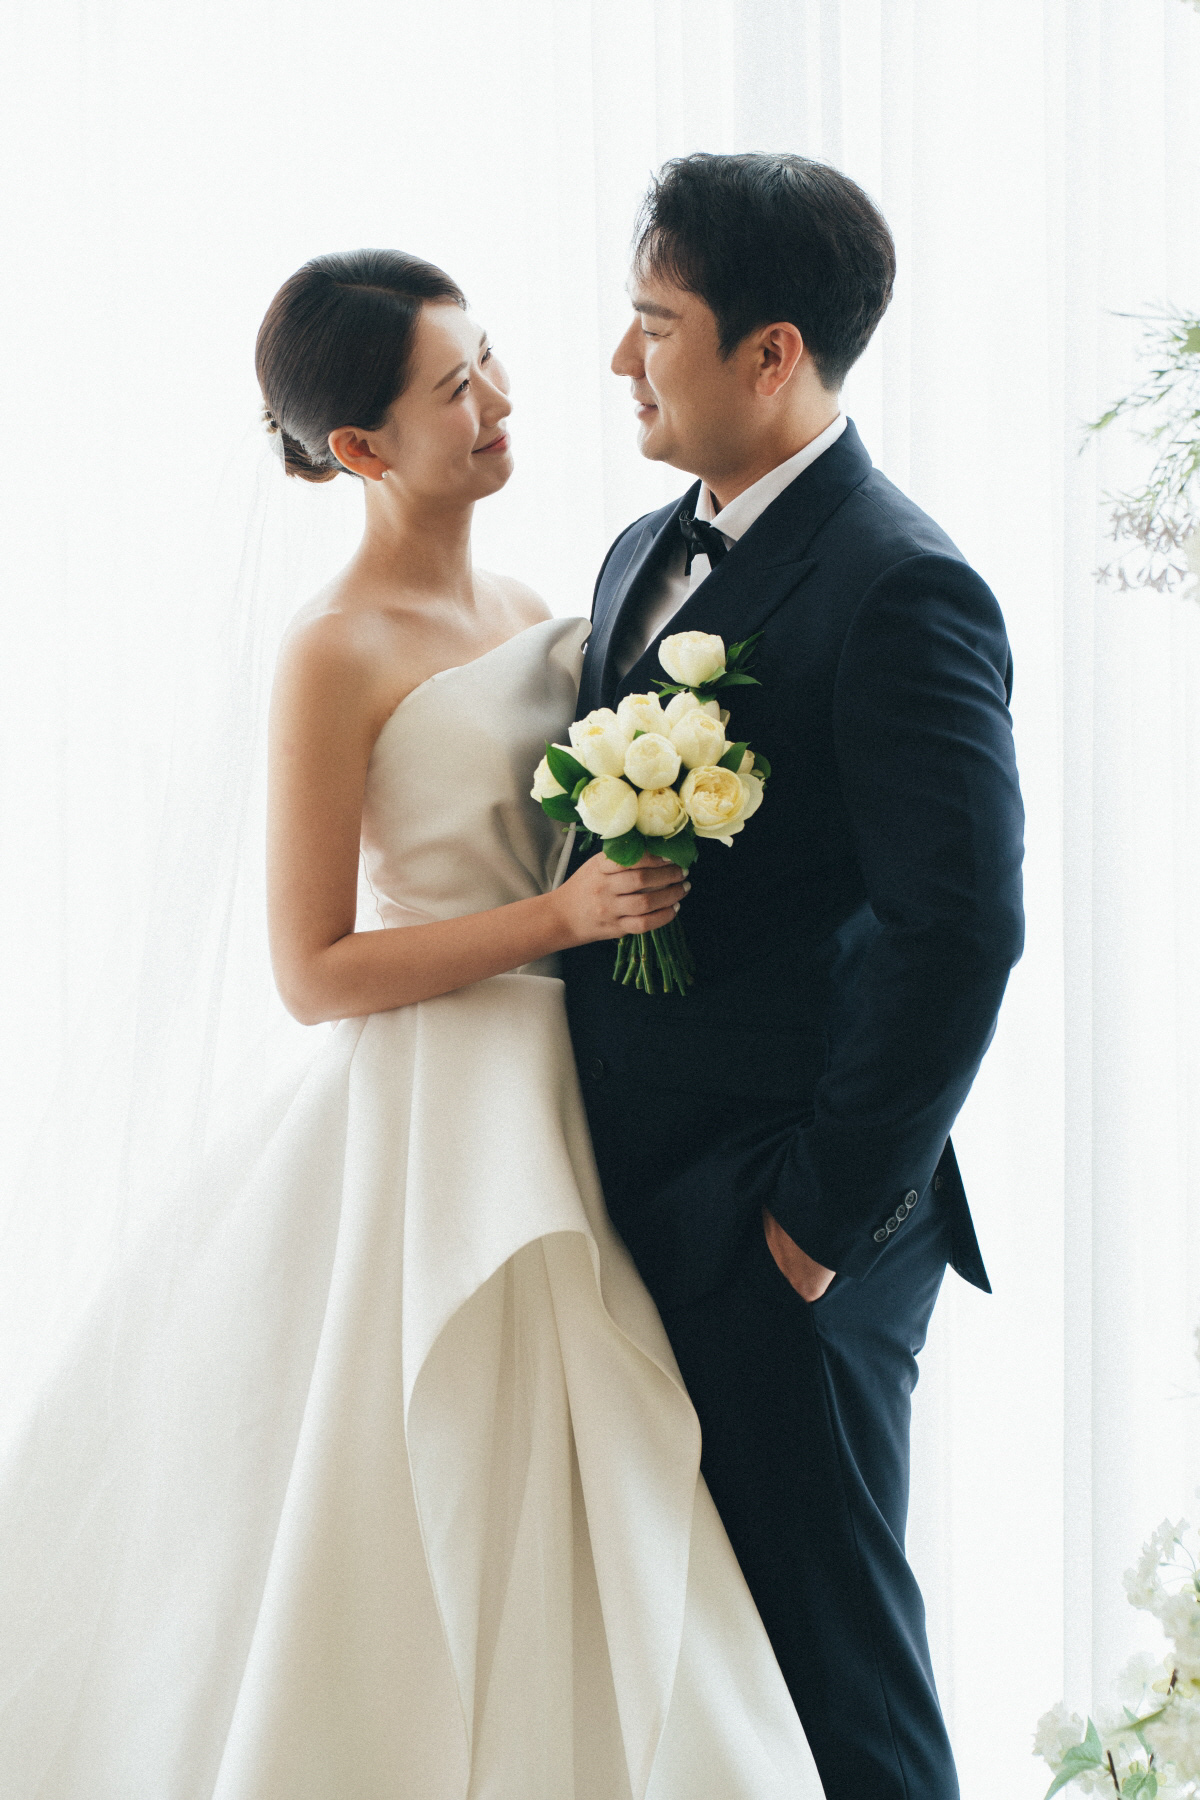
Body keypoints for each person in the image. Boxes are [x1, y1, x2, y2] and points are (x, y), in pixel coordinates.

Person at [0, 249, 827, 1799]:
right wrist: (560, 923)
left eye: (489, 359)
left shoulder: (540, 604)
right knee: (412, 1471)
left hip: (573, 1087)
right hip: (437, 1107)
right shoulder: (337, 647)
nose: (500, 400)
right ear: (361, 447)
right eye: (455, 389)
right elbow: (313, 968)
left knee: (592, 1469)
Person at [564, 153, 1026, 1800]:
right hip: (636, 1198)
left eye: (654, 324)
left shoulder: (901, 583)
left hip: (785, 1222)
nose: (620, 359)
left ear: (771, 353)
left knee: (838, 1682)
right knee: (699, 1681)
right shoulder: (641, 548)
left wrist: (815, 1231)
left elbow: (960, 929)